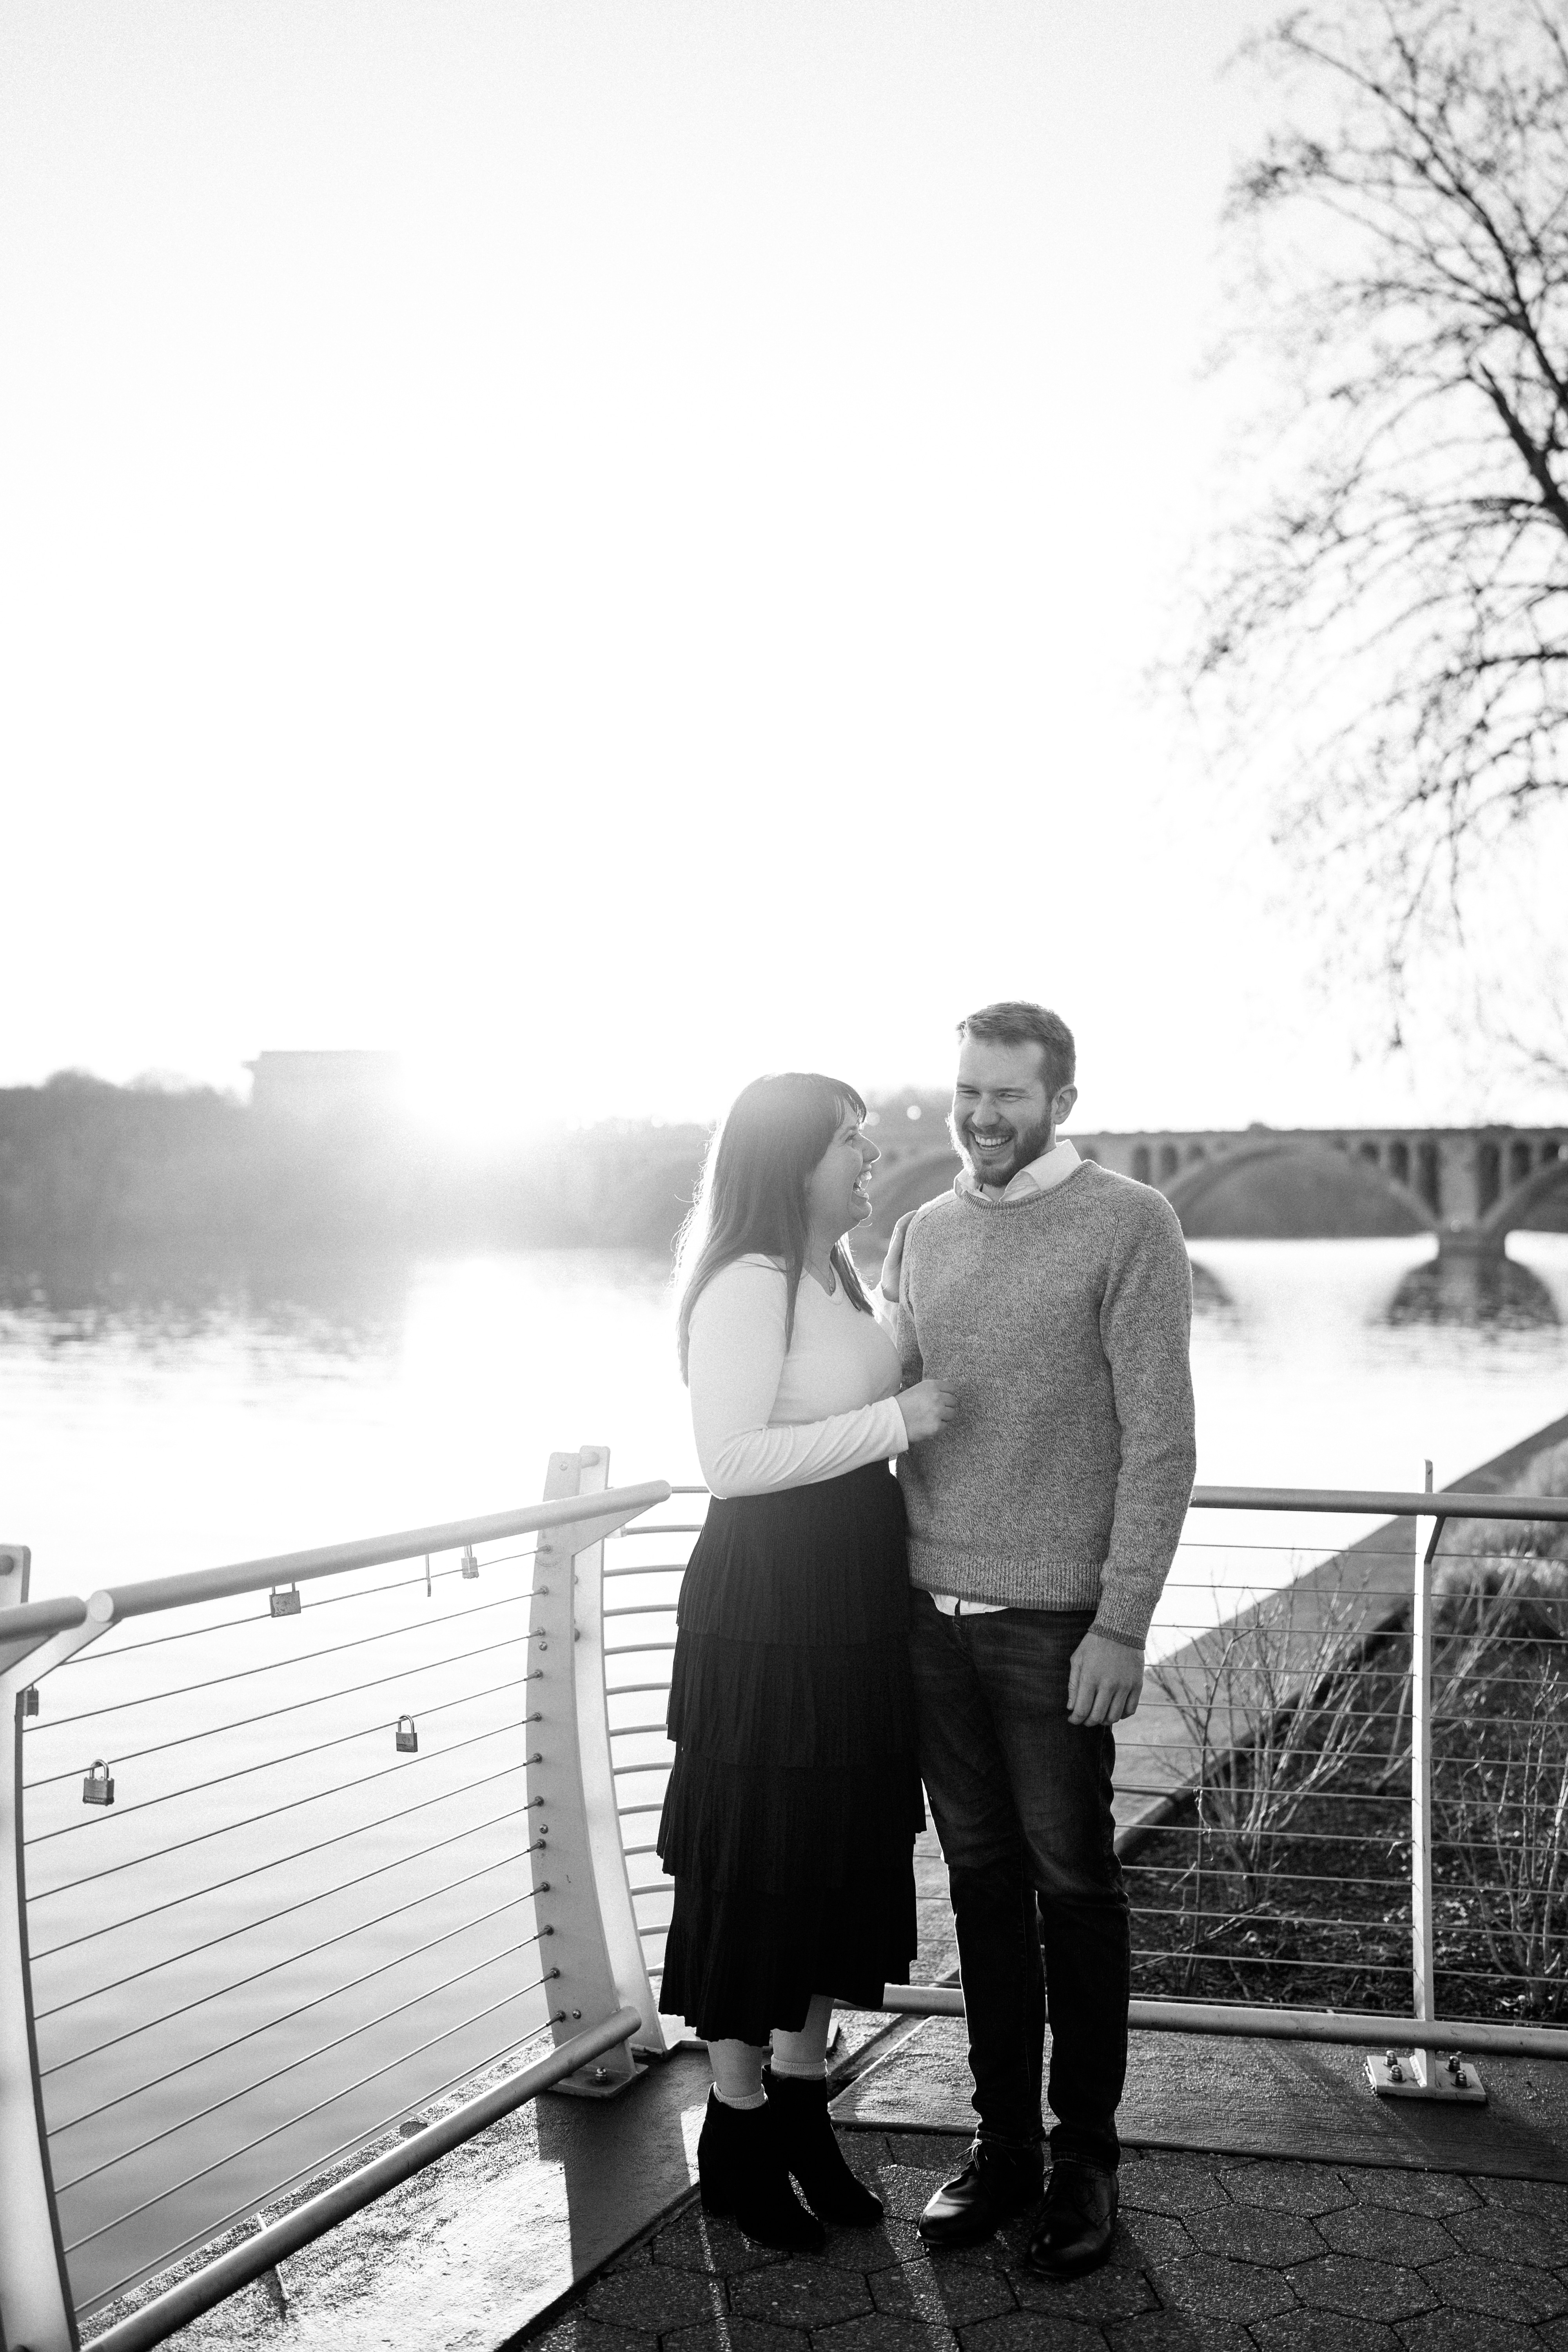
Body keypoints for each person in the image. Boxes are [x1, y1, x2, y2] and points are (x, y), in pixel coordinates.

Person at [885, 1001, 1195, 2279]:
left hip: (1058, 1625)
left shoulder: (1131, 1224)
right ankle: (1002, 2143)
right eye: (968, 1090)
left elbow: (1162, 1443)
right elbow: (888, 1404)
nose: (981, 1116)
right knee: (982, 1892)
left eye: (1008, 1095)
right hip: (929, 1620)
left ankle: (1087, 2163)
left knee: (1076, 1889)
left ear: (1061, 1100)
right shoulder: (922, 1230)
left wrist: (1122, 1622)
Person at [659, 1071, 956, 2251]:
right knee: (756, 1866)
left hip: (850, 1599)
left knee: (834, 1857)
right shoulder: (749, 1282)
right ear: (789, 1162)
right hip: (769, 1604)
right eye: (850, 1144)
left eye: (869, 1142)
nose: (871, 1160)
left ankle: (800, 2109)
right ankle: (735, 2131)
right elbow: (731, 1460)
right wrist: (902, 1422)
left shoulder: (836, 1272)